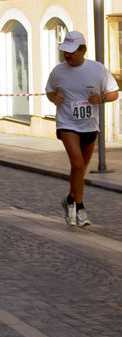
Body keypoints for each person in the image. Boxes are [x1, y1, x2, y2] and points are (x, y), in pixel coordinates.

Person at [45, 30, 119, 228]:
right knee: (77, 165)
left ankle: (70, 199)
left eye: (71, 51)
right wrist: (54, 98)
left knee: (80, 170)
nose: (67, 55)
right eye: (64, 51)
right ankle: (80, 208)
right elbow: (49, 90)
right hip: (67, 124)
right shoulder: (58, 71)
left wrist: (101, 98)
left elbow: (114, 93)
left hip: (89, 125)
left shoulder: (97, 70)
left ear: (83, 50)